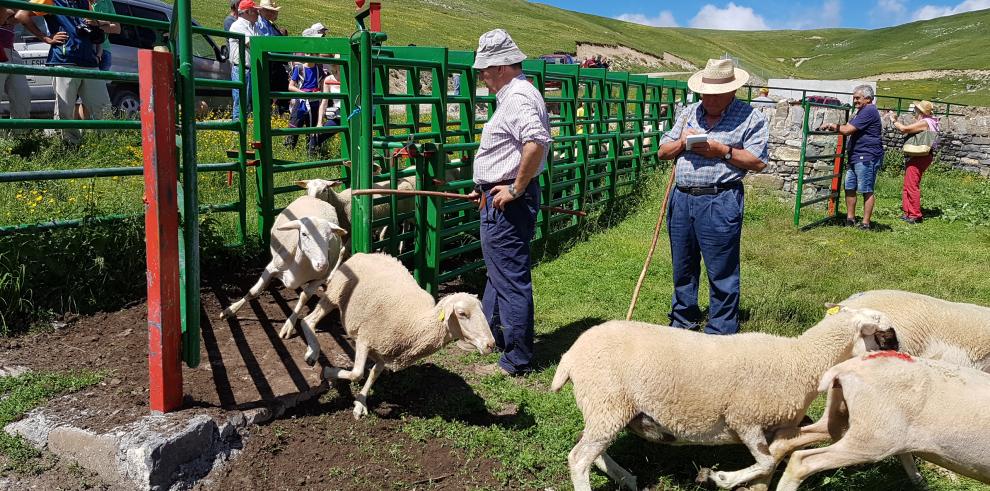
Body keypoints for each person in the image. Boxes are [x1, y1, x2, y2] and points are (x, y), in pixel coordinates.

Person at [656, 58, 769, 335]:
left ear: (731, 92)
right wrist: (683, 142)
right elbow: (662, 151)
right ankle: (683, 321)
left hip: (720, 199)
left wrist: (722, 151)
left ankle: (721, 329)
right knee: (683, 265)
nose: (708, 98)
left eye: (715, 94)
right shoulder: (688, 113)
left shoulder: (750, 117)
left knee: (721, 269)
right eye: (705, 92)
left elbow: (757, 161)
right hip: (681, 198)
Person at [464, 29, 550, 376]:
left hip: (507, 202)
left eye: (484, 69)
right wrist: (483, 186)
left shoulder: (518, 97)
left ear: (501, 66)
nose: (481, 75)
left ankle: (517, 358)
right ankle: (494, 337)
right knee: (500, 273)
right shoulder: (514, 95)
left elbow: (536, 142)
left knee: (510, 278)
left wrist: (513, 189)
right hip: (498, 197)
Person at [16, 0, 110, 144]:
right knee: (64, 109)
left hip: (90, 62)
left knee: (103, 106)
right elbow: (22, 15)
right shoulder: (51, 0)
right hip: (64, 61)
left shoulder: (85, 2)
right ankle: (68, 146)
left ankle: (106, 143)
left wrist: (96, 29)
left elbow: (93, 27)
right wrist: (46, 38)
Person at [820, 84, 884, 230]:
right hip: (856, 155)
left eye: (858, 98)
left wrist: (831, 125)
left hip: (867, 156)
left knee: (866, 189)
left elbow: (848, 130)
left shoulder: (869, 111)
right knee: (849, 187)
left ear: (868, 98)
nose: (855, 101)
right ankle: (850, 219)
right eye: (854, 98)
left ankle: (866, 223)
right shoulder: (861, 111)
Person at [889, 100, 940, 224]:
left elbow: (905, 129)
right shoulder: (932, 121)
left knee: (912, 185)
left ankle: (915, 214)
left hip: (920, 156)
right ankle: (908, 212)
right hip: (923, 155)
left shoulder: (924, 122)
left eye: (916, 109)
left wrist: (894, 120)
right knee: (909, 184)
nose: (914, 111)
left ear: (920, 111)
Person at [285, 27, 325, 151]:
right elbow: (290, 86)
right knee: (295, 125)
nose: (312, 56)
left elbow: (322, 85)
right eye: (310, 54)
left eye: (315, 54)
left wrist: (320, 93)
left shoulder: (319, 68)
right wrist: (301, 92)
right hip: (301, 102)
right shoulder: (300, 68)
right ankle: (289, 149)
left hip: (314, 102)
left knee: (312, 128)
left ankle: (312, 151)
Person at [255, 0, 288, 115]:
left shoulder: (268, 23)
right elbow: (268, 42)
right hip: (270, 60)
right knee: (270, 87)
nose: (275, 14)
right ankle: (269, 112)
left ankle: (280, 112)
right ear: (264, 11)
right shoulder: (260, 23)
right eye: (273, 11)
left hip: (274, 60)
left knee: (281, 85)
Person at [0, 7, 30, 131]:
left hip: (11, 51)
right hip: (2, 50)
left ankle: (21, 139)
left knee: (22, 96)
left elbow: (19, 15)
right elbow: (10, 13)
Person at [227, 0, 257, 120]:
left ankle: (242, 133)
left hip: (247, 68)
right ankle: (238, 134)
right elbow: (253, 44)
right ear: (248, 11)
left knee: (246, 103)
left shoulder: (251, 26)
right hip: (241, 69)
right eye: (256, 11)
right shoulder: (238, 26)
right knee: (241, 103)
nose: (258, 14)